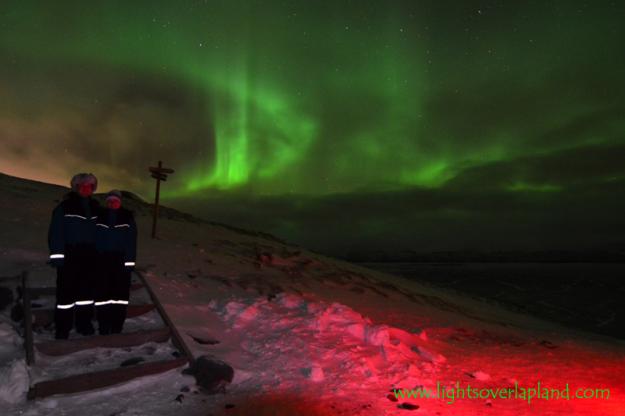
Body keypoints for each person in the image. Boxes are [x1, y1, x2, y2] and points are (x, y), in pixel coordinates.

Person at [48, 173, 100, 339]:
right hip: (70, 255)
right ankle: (63, 328)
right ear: (76, 187)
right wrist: (58, 256)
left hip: (90, 256)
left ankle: (83, 324)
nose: (86, 189)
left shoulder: (96, 207)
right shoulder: (64, 207)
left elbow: (103, 232)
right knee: (66, 294)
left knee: (86, 293)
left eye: (89, 186)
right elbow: (56, 232)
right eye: (83, 186)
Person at [94, 190, 137, 335]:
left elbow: (131, 241)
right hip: (102, 261)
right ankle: (104, 327)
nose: (113, 203)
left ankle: (117, 327)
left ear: (120, 202)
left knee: (120, 297)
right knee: (102, 296)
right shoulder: (100, 217)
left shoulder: (127, 218)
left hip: (120, 261)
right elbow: (95, 239)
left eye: (115, 200)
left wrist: (129, 262)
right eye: (110, 201)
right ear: (107, 203)